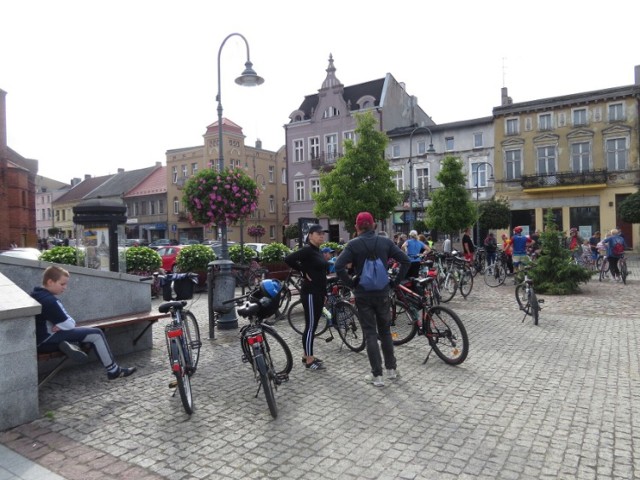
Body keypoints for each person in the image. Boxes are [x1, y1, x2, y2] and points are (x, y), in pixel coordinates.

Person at [334, 212, 410, 387]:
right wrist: (395, 282)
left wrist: (351, 284)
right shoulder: (385, 241)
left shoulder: (353, 244)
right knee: (385, 332)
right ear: (374, 225)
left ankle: (377, 376)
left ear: (357, 227)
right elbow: (405, 261)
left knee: (370, 333)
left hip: (363, 294)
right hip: (383, 292)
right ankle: (391, 370)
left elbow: (338, 266)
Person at [31, 265, 136, 380]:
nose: (65, 287)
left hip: (39, 340)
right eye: (62, 284)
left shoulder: (36, 294)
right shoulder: (49, 300)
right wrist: (63, 325)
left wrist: (61, 325)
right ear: (50, 282)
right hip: (46, 341)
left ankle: (66, 344)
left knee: (82, 332)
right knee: (96, 334)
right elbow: (70, 324)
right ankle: (113, 370)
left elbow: (65, 323)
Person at [284, 224, 329, 370]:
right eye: (318, 233)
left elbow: (321, 274)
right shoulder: (307, 250)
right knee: (310, 326)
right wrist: (303, 271)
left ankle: (306, 355)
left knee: (314, 325)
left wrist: (325, 293)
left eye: (323, 233)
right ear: (310, 235)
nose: (322, 235)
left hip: (318, 292)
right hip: (310, 293)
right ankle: (309, 361)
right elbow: (288, 259)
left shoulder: (318, 251)